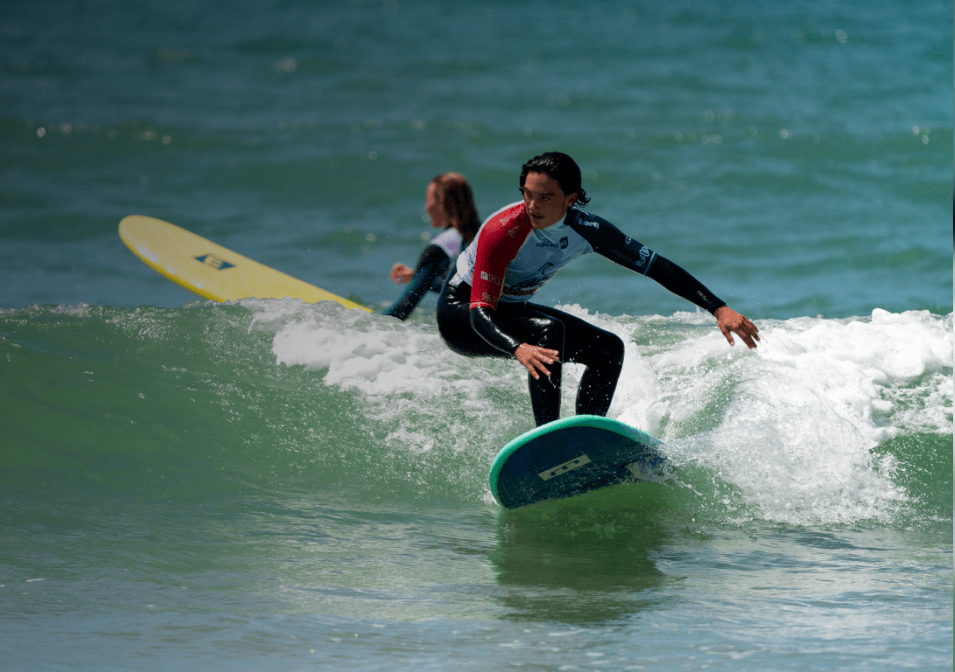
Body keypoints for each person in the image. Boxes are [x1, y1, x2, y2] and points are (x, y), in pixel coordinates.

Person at [436, 151, 759, 427]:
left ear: (570, 199)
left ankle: (584, 435)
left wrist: (718, 308)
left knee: (607, 349)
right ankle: (549, 438)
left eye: (545, 197)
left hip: (510, 311)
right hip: (462, 314)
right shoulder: (503, 230)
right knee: (549, 331)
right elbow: (480, 312)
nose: (532, 205)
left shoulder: (588, 229)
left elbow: (655, 266)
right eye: (527, 193)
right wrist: (518, 347)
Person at [383, 173, 481, 320]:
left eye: (429, 200)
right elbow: (465, 289)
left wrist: (362, 326)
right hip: (491, 326)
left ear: (443, 203)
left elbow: (401, 310)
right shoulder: (480, 238)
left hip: (463, 334)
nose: (426, 208)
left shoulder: (441, 247)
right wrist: (419, 277)